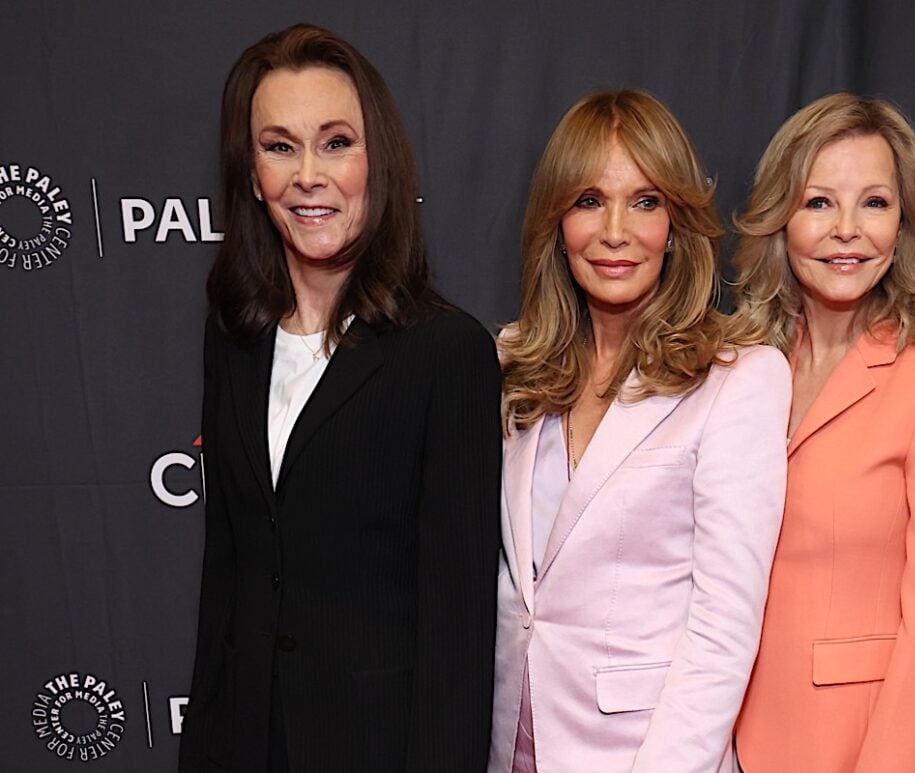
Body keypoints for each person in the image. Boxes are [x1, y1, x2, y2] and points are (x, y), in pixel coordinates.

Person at [179, 24, 500, 772]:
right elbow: (226, 577)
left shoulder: (445, 353)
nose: (308, 176)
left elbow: (456, 627)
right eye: (279, 146)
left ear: (376, 161)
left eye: (335, 142)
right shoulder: (234, 337)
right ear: (252, 174)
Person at [489, 89, 791, 773]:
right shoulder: (511, 363)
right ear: (556, 222)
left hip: (647, 754)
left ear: (677, 222)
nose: (616, 231)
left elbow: (724, 626)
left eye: (645, 201)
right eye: (589, 200)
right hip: (513, 742)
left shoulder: (739, 379)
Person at [729, 93, 915, 773]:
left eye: (875, 203)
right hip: (728, 740)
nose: (847, 230)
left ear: (904, 222)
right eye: (819, 202)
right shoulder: (740, 366)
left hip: (865, 747)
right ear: (780, 218)